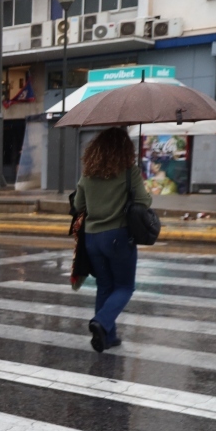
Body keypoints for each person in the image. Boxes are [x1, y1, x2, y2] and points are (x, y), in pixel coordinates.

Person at [73, 126, 152, 353]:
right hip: (118, 236)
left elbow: (78, 205)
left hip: (92, 239)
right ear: (125, 148)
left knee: (105, 285)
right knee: (125, 287)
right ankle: (102, 321)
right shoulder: (129, 171)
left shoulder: (87, 174)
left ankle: (108, 336)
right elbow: (143, 202)